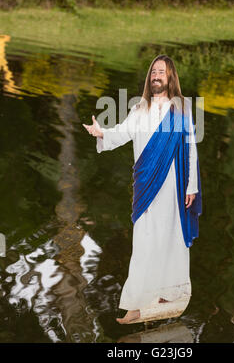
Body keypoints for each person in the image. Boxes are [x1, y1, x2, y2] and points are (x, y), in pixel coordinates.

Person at [83, 55, 202, 324]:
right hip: (146, 185)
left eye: (161, 72)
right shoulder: (140, 108)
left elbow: (191, 148)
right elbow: (122, 133)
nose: (156, 76)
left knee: (171, 238)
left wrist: (191, 186)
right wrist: (102, 133)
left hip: (173, 185)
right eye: (153, 72)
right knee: (144, 241)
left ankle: (169, 294)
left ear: (170, 77)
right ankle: (136, 304)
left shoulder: (181, 109)